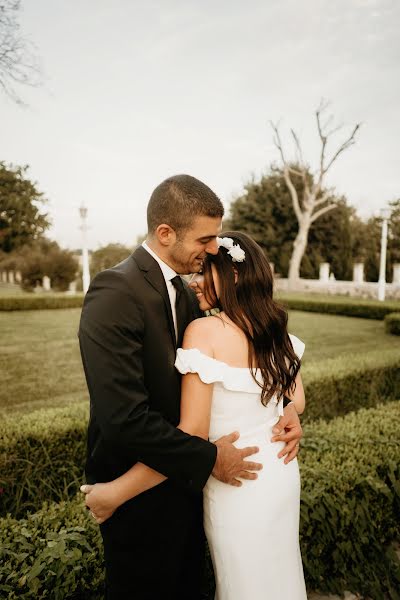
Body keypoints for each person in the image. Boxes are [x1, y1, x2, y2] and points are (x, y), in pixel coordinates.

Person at [79, 176, 303, 599]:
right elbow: (122, 418)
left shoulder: (186, 295)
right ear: (165, 233)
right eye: (206, 238)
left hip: (188, 488)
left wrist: (285, 409)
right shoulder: (115, 290)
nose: (214, 248)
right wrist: (210, 459)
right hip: (141, 494)